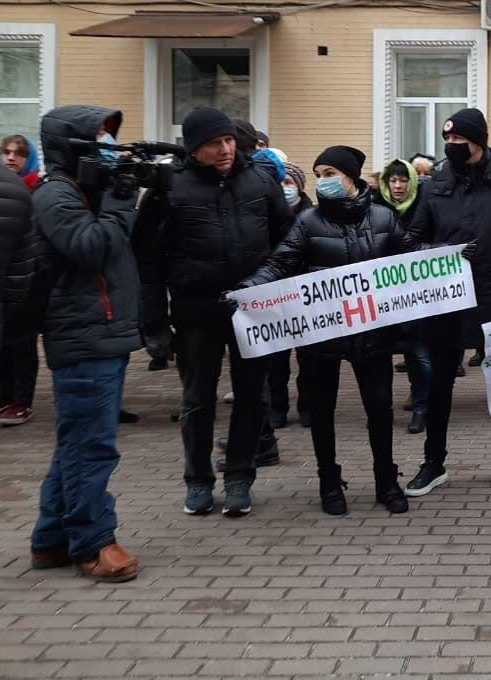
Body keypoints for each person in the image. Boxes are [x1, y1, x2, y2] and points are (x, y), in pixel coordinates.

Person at [135, 107, 294, 519]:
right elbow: (148, 261)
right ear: (193, 148)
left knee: (251, 397)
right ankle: (198, 480)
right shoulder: (169, 189)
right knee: (197, 399)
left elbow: (287, 241)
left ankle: (240, 476)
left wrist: (277, 288)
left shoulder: (260, 180)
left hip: (255, 310)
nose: (224, 149)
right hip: (196, 310)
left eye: (227, 140)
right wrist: (154, 323)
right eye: (213, 143)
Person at [241, 146, 410, 517]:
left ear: (351, 177)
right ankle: (329, 483)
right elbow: (280, 263)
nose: (323, 182)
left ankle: (387, 480)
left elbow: (412, 258)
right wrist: (248, 289)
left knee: (380, 409)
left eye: (330, 173)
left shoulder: (384, 218)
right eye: (319, 175)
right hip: (321, 335)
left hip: (373, 333)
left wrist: (448, 256)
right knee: (322, 411)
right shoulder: (308, 222)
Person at [28, 105, 140, 582]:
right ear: (70, 145)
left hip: (101, 333)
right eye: (97, 138)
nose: (107, 146)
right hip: (83, 335)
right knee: (92, 447)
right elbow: (90, 247)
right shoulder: (56, 196)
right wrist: (118, 201)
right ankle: (93, 543)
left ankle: (50, 540)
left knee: (74, 443)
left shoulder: (83, 191)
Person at [404, 108, 491, 497]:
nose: (452, 147)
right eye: (448, 141)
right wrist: (444, 251)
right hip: (445, 299)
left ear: (478, 141)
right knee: (440, 381)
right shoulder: (434, 185)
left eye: (459, 141)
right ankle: (433, 462)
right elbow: (411, 241)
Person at [0, 91, 35, 444]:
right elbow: (19, 279)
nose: (11, 158)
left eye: (18, 153)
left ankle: (14, 398)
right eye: (7, 152)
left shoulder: (15, 190)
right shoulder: (8, 189)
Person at [374, 157, 431, 435]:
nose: (397, 185)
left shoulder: (424, 206)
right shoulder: (375, 209)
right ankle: (381, 410)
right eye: (392, 180)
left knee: (421, 356)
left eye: (403, 179)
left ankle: (422, 408)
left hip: (417, 295)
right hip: (383, 296)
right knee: (382, 355)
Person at [267, 162, 312, 429]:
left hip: (305, 295)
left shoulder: (312, 215)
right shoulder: (267, 215)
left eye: (289, 183)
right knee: (276, 361)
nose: (284, 189)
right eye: (280, 184)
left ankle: (307, 407)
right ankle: (277, 408)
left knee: (308, 360)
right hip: (275, 296)